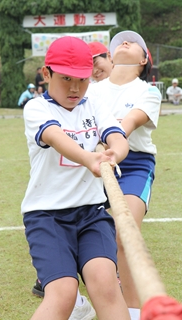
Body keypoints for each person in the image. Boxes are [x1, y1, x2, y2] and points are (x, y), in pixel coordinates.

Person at [21, 36, 130, 320]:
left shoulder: (93, 103)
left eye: (81, 80)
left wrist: (114, 154)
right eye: (66, 78)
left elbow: (117, 136)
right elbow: (55, 137)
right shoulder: (36, 108)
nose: (74, 88)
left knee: (106, 284)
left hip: (92, 214)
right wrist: (89, 158)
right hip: (47, 216)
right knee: (64, 293)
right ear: (47, 74)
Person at [86, 30, 162, 320]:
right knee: (82, 234)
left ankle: (131, 310)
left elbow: (130, 121)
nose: (125, 43)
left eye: (135, 43)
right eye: (119, 42)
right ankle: (75, 299)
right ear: (111, 56)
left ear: (144, 59)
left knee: (124, 234)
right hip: (93, 164)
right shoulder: (91, 90)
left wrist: (114, 145)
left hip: (133, 165)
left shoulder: (148, 91)